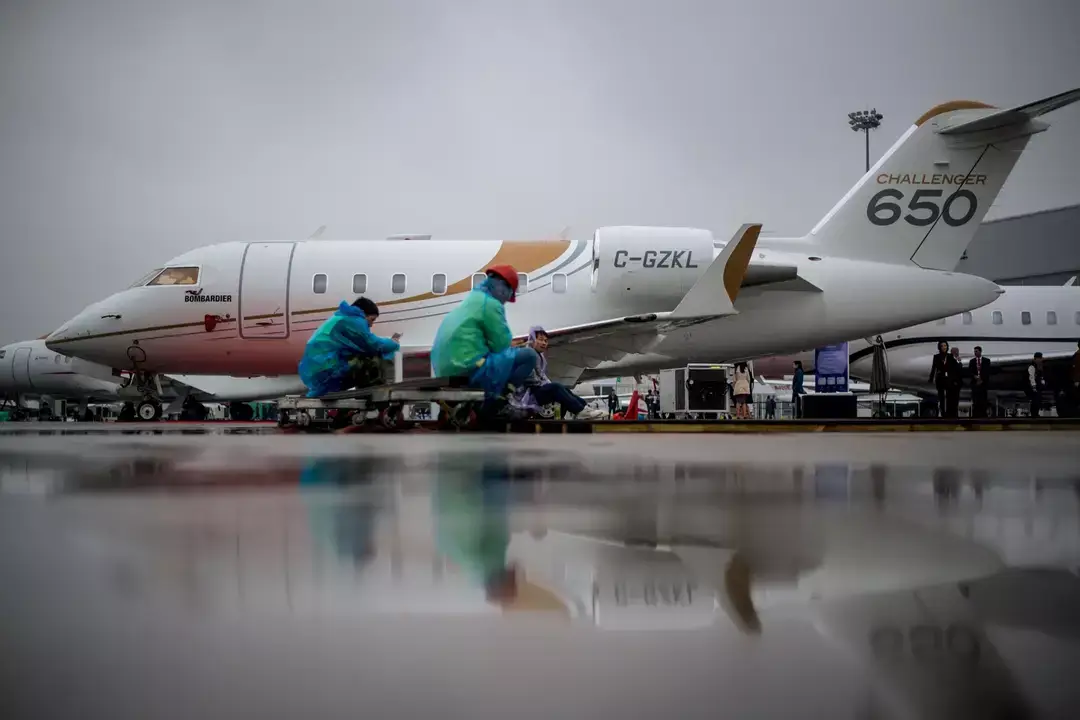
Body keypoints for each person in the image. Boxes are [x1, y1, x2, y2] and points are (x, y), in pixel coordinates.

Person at [430, 265, 538, 415]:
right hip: (467, 364)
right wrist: (511, 346)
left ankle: (481, 405)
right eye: (508, 295)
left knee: (502, 359)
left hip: (444, 367)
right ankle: (498, 402)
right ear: (503, 287)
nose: (506, 300)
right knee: (529, 356)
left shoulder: (472, 298)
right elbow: (501, 344)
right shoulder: (491, 304)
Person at [298, 296, 401, 398]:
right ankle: (373, 398)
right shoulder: (353, 321)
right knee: (374, 359)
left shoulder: (341, 318)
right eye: (371, 320)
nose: (371, 325)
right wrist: (393, 343)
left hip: (319, 373)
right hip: (327, 373)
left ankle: (362, 397)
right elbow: (373, 344)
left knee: (362, 357)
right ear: (364, 314)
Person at [514, 327, 606, 420]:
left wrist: (548, 385)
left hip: (537, 389)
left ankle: (584, 408)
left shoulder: (540, 357)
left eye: (546, 341)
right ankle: (580, 410)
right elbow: (530, 378)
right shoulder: (527, 355)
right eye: (540, 340)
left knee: (563, 389)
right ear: (532, 340)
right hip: (528, 393)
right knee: (556, 387)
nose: (544, 343)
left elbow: (542, 376)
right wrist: (547, 385)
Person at [928, 340, 952, 417]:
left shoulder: (950, 356)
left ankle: (949, 413)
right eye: (942, 346)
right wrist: (931, 378)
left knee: (949, 397)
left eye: (945, 346)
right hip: (940, 378)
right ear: (939, 347)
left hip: (949, 379)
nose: (944, 347)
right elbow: (933, 368)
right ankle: (943, 413)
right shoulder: (936, 357)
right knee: (941, 397)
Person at [968, 346, 991, 418]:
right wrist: (975, 377)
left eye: (976, 351)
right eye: (974, 351)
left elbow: (987, 372)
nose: (975, 353)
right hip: (975, 384)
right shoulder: (972, 361)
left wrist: (981, 379)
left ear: (980, 352)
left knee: (983, 400)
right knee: (975, 400)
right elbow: (970, 372)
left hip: (983, 384)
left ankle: (983, 415)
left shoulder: (986, 361)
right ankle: (975, 416)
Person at [1027, 352, 1047, 417]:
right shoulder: (1032, 367)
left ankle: (1035, 413)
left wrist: (1042, 382)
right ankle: (1034, 413)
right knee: (1035, 400)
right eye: (1039, 358)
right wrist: (1033, 386)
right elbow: (1031, 377)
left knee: (1037, 400)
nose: (1040, 360)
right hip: (1034, 386)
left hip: (1038, 386)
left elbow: (1041, 375)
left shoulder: (1039, 366)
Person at [947, 347, 964, 418]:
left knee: (955, 401)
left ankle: (954, 415)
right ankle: (951, 416)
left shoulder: (956, 360)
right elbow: (953, 371)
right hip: (952, 384)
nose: (958, 353)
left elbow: (960, 370)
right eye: (957, 351)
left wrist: (959, 362)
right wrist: (954, 381)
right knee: (952, 401)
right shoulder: (950, 359)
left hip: (956, 384)